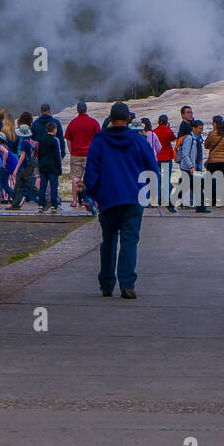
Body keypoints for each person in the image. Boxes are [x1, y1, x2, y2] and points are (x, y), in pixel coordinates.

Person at [85, 102, 159, 299]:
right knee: (129, 242)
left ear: (110, 119)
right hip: (133, 199)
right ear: (128, 120)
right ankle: (127, 285)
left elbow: (91, 171)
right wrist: (150, 191)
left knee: (108, 242)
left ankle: (107, 284)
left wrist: (89, 194)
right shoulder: (139, 141)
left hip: (108, 199)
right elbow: (152, 168)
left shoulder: (99, 141)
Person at [65, 102, 101, 212]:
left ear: (77, 110)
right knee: (92, 178)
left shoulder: (72, 123)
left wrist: (72, 152)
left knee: (76, 178)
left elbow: (68, 139)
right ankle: (94, 200)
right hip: (89, 154)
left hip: (76, 154)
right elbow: (99, 138)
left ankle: (75, 201)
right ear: (86, 110)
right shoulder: (93, 122)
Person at [8, 124, 39, 210]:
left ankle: (42, 198)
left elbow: (22, 156)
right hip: (29, 165)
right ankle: (15, 204)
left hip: (26, 166)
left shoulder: (23, 143)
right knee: (19, 184)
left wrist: (16, 168)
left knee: (28, 184)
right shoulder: (29, 141)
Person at [204, 115, 224, 208]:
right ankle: (221, 200)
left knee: (209, 181)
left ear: (215, 123)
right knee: (222, 182)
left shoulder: (212, 134)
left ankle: (210, 200)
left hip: (212, 161)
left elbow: (206, 145)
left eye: (213, 123)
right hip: (223, 161)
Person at [153, 114, 178, 212]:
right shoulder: (168, 131)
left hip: (157, 157)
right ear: (167, 121)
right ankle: (166, 199)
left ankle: (158, 199)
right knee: (166, 180)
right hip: (167, 157)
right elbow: (173, 138)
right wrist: (169, 128)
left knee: (158, 179)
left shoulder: (154, 131)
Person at [38, 120, 64, 211]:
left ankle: (41, 204)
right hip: (52, 167)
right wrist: (59, 169)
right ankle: (54, 205)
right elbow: (57, 155)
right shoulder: (54, 141)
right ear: (54, 130)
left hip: (43, 166)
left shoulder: (41, 140)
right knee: (53, 186)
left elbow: (39, 153)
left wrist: (40, 165)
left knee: (43, 186)